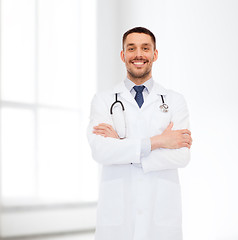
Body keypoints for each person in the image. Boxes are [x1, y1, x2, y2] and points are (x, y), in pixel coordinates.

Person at [87, 27, 192, 240]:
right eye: (131, 48)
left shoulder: (174, 100)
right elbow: (100, 151)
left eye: (145, 48)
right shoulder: (103, 100)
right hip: (118, 215)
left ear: (155, 54)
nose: (138, 55)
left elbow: (182, 156)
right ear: (122, 55)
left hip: (161, 215)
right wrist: (159, 141)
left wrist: (122, 147)